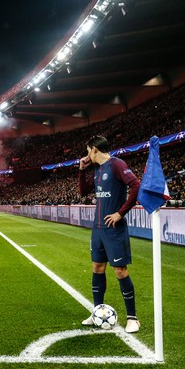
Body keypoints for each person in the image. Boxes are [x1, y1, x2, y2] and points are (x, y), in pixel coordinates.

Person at [78, 135, 141, 333]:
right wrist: (81, 170)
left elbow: (136, 185)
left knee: (120, 271)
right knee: (97, 267)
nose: (87, 154)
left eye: (88, 150)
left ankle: (133, 318)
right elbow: (82, 191)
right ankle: (97, 311)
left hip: (114, 229)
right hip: (98, 228)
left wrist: (120, 213)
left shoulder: (116, 164)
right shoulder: (97, 170)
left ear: (95, 149)